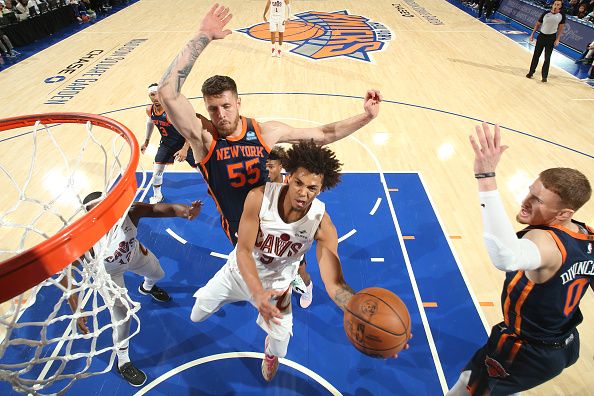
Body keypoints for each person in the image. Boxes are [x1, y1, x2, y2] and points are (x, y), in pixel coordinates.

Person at [157, 3, 381, 247]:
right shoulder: (204, 139)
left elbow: (323, 134)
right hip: (241, 228)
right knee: (255, 278)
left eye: (226, 106)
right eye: (213, 109)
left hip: (278, 219)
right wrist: (203, 36)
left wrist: (366, 117)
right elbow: (167, 93)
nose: (220, 114)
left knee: (295, 267)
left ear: (238, 102)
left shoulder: (265, 132)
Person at [190, 141, 408, 381]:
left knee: (280, 349)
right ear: (288, 176)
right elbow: (242, 250)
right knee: (196, 315)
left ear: (321, 189)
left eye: (312, 188)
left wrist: (363, 314)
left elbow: (334, 283)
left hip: (277, 287)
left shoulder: (322, 224)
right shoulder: (258, 197)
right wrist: (255, 292)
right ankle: (230, 299)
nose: (304, 193)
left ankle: (269, 354)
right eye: (299, 183)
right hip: (238, 274)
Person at [446, 123, 592, 395]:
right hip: (564, 343)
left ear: (563, 214)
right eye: (530, 191)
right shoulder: (587, 236)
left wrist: (485, 177)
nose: (525, 201)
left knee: (467, 389)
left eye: (537, 200)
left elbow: (505, 255)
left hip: (525, 350)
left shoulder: (546, 242)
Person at [65, 193, 203, 387]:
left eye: (107, 209)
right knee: (123, 316)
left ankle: (146, 288)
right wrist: (77, 308)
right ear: (91, 217)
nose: (107, 215)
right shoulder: (84, 240)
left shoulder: (130, 212)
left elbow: (161, 209)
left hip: (134, 254)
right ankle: (123, 361)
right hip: (109, 274)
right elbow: (66, 277)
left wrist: (186, 211)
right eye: (99, 213)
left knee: (159, 274)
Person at [266, 145, 314, 308]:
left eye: (271, 166)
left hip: (293, 236)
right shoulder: (263, 184)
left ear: (281, 166)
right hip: (272, 237)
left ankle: (308, 287)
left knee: (300, 271)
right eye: (266, 165)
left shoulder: (293, 186)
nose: (267, 169)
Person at [141, 83, 199, 204]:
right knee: (157, 170)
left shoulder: (172, 111)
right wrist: (146, 141)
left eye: (158, 93)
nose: (155, 97)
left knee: (202, 170)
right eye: (152, 94)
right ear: (149, 96)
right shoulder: (149, 110)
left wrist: (184, 149)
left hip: (184, 142)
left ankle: (218, 188)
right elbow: (150, 123)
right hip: (166, 144)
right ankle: (157, 196)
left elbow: (189, 130)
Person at [526, 0, 565, 83]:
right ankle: (531, 72)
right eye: (555, 4)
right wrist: (532, 34)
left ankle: (544, 76)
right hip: (541, 36)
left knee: (547, 58)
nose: (556, 6)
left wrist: (558, 38)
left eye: (558, 4)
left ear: (560, 6)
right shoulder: (546, 13)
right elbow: (538, 24)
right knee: (536, 55)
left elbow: (561, 28)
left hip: (551, 38)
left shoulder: (561, 15)